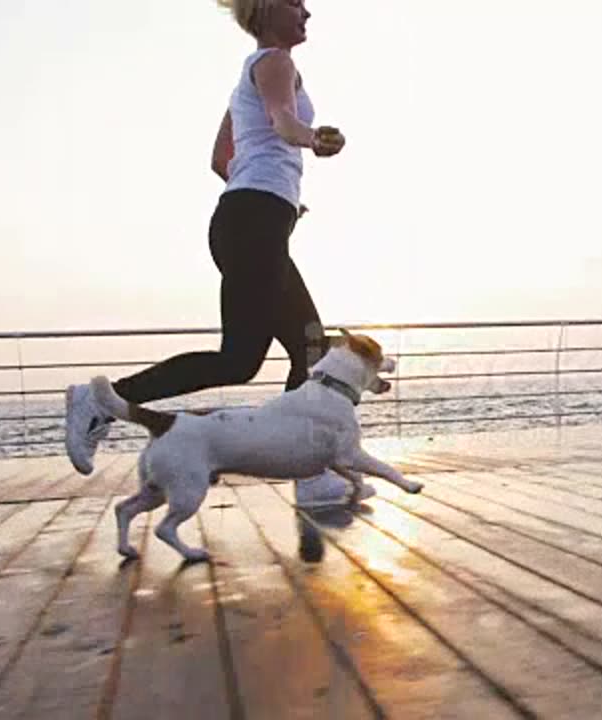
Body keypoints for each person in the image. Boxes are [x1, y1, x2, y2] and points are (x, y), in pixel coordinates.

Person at [63, 0, 372, 515]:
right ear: (270, 9)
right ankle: (103, 398)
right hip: (252, 223)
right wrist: (312, 139)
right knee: (297, 348)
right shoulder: (276, 62)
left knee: (268, 354)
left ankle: (309, 473)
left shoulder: (246, 77)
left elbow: (219, 158)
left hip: (249, 221)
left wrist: (273, 195)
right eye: (297, 3)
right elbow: (282, 123)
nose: (308, 12)